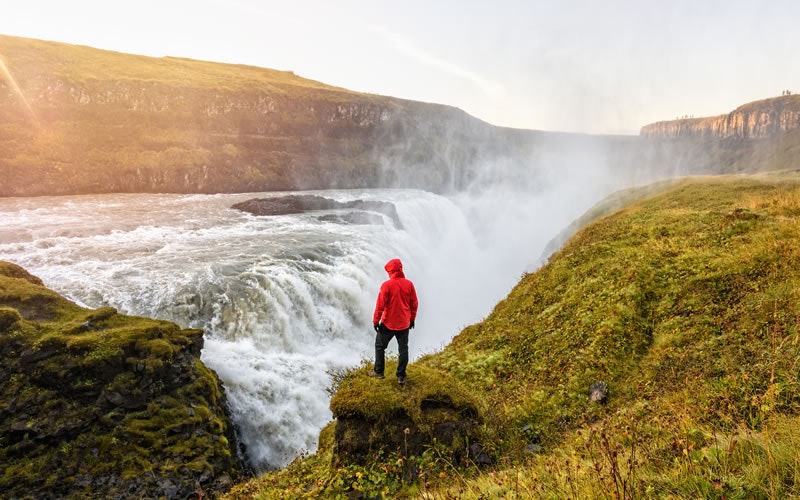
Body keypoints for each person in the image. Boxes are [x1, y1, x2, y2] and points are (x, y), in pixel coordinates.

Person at [369, 258, 418, 385]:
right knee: (403, 349)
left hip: (388, 323)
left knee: (380, 346)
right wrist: (412, 319)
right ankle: (401, 376)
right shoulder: (409, 284)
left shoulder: (387, 285)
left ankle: (379, 372)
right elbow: (414, 304)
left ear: (391, 271)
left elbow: (380, 305)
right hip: (404, 323)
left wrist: (376, 321)